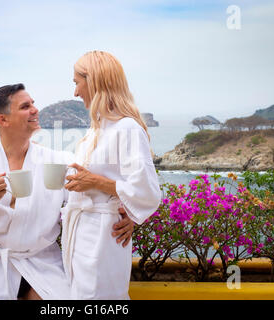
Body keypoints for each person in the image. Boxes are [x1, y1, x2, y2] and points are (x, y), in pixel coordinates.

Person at [0, 83, 134, 300]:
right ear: (2, 119)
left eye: (33, 104)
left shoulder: (57, 162)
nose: (35, 110)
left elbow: (93, 192)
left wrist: (126, 213)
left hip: (44, 263)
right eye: (25, 106)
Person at [61, 51, 162, 299]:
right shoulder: (95, 132)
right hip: (81, 234)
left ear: (94, 81)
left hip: (103, 238)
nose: (75, 92)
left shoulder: (127, 128)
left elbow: (147, 191)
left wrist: (96, 183)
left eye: (77, 83)